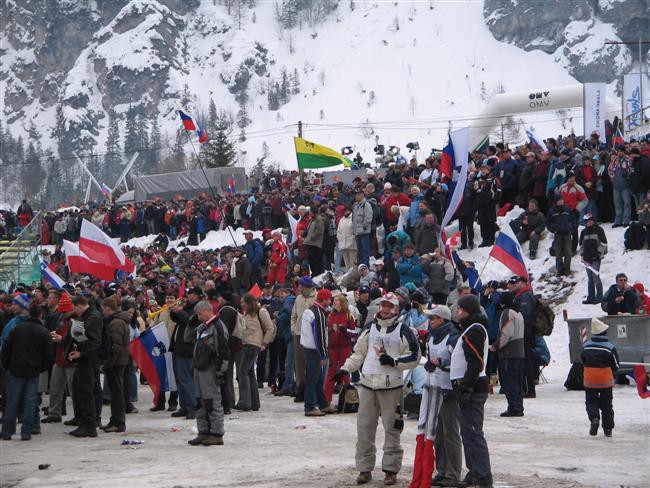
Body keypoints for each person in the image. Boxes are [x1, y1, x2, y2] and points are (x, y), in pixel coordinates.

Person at [333, 293, 421, 486]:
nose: (386, 309)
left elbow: (414, 356)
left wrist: (394, 361)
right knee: (364, 428)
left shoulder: (403, 330)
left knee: (392, 429)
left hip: (392, 387)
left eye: (390, 306)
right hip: (368, 385)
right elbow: (358, 353)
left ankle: (390, 470)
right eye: (383, 305)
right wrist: (344, 369)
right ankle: (364, 468)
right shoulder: (369, 327)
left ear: (396, 309)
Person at [408, 305, 462, 488]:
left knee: (450, 432)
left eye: (433, 318)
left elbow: (458, 363)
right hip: (432, 388)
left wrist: (441, 365)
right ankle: (442, 470)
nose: (430, 322)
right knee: (436, 432)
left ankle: (453, 473)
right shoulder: (432, 337)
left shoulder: (453, 338)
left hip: (448, 391)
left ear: (443, 320)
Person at [449, 295, 493, 488]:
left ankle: (483, 475)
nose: (457, 311)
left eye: (460, 309)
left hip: (473, 387)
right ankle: (474, 472)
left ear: (468, 310)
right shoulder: (470, 327)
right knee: (467, 432)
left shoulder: (474, 329)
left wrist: (466, 387)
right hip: (469, 385)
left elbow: (475, 362)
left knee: (474, 432)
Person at [0, 304, 53, 441]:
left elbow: (5, 348)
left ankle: (7, 432)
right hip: (33, 371)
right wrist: (40, 368)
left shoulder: (17, 329)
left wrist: (7, 366)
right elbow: (48, 355)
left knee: (12, 401)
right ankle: (26, 432)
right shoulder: (43, 332)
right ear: (40, 315)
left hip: (15, 369)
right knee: (30, 401)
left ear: (29, 314)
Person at [186, 300, 229, 446]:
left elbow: (223, 351)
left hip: (210, 369)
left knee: (212, 401)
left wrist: (220, 371)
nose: (198, 317)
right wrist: (190, 323)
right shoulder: (201, 328)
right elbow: (187, 338)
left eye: (199, 314)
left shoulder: (218, 326)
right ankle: (203, 431)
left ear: (207, 311)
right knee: (200, 401)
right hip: (199, 369)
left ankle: (217, 433)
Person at [67, 295, 103, 438]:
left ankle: (89, 426)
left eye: (75, 308)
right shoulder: (87, 316)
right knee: (80, 389)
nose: (75, 311)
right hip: (86, 359)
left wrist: (80, 353)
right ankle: (84, 423)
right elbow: (84, 337)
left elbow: (94, 342)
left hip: (89, 360)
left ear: (80, 305)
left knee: (86, 391)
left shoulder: (93, 317)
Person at [235, 293, 275, 412]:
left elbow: (270, 327)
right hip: (247, 344)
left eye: (243, 302)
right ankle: (253, 402)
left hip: (253, 344)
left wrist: (265, 343)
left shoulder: (261, 312)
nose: (241, 304)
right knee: (250, 373)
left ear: (249, 302)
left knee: (242, 372)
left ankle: (245, 401)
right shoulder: (247, 313)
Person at [581, 318, 619, 437]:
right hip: (605, 380)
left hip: (590, 380)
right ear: (604, 333)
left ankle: (594, 418)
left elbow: (583, 360)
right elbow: (616, 365)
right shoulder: (609, 347)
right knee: (607, 404)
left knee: (591, 401)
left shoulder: (586, 346)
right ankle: (608, 429)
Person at [42, 292, 76, 424]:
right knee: (55, 387)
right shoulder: (63, 318)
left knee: (74, 390)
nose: (62, 313)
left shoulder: (76, 320)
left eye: (64, 311)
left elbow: (79, 340)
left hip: (71, 360)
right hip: (60, 358)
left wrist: (61, 339)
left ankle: (77, 414)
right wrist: (55, 334)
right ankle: (54, 412)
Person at [300, 288, 334, 416]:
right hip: (314, 349)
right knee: (313, 378)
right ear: (324, 299)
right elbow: (319, 336)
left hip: (307, 346)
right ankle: (310, 406)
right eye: (329, 298)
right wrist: (324, 354)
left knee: (318, 378)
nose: (330, 301)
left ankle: (322, 403)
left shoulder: (309, 311)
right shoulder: (318, 313)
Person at [490, 292, 525, 417]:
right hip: (519, 351)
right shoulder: (518, 313)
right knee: (517, 380)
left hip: (509, 352)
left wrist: (494, 347)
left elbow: (506, 334)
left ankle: (514, 408)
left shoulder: (507, 313)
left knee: (509, 380)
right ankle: (518, 406)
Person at [99, 295, 131, 433]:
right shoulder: (115, 321)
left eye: (103, 309)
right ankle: (115, 420)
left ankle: (118, 422)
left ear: (108, 308)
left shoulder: (116, 323)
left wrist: (108, 362)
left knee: (117, 393)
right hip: (117, 361)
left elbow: (115, 346)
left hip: (116, 363)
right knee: (115, 392)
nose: (102, 311)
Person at [324, 293, 356, 405]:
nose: (334, 302)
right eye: (334, 300)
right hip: (332, 348)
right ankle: (327, 400)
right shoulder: (329, 315)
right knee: (330, 373)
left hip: (344, 348)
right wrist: (331, 330)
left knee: (345, 372)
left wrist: (345, 331)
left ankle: (347, 400)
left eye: (337, 300)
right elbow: (324, 332)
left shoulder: (349, 315)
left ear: (342, 302)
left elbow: (354, 333)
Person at [290, 276, 317, 402]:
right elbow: (294, 315)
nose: (298, 287)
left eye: (300, 285)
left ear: (306, 286)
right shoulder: (299, 298)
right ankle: (300, 388)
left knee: (311, 362)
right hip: (298, 333)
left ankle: (311, 388)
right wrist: (294, 328)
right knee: (299, 363)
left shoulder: (315, 298)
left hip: (311, 335)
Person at [510, 275, 537, 399]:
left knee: (526, 361)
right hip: (523, 332)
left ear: (525, 283)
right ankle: (527, 388)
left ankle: (529, 389)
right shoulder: (520, 295)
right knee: (525, 360)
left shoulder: (525, 296)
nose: (516, 284)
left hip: (525, 332)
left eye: (518, 282)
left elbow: (524, 316)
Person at [578, 213, 608, 304]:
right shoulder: (583, 232)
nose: (590, 222)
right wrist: (582, 254)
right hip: (587, 258)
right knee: (590, 278)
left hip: (596, 258)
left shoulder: (599, 230)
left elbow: (604, 243)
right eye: (587, 221)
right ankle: (590, 297)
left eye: (591, 220)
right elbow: (581, 244)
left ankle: (599, 297)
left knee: (595, 277)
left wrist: (599, 253)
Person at [546, 194, 574, 276]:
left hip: (567, 233)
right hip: (558, 234)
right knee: (558, 254)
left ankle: (567, 270)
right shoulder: (552, 211)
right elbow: (548, 223)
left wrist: (571, 228)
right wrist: (553, 230)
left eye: (562, 200)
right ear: (556, 202)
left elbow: (573, 220)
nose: (561, 201)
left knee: (568, 253)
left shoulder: (567, 209)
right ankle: (559, 270)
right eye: (559, 200)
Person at [353, 189, 374, 266]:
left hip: (364, 232)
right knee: (360, 251)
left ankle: (365, 266)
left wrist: (363, 227)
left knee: (365, 250)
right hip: (357, 232)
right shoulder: (355, 205)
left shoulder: (366, 204)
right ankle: (361, 266)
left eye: (358, 194)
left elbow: (368, 218)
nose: (356, 196)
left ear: (362, 195)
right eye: (355, 194)